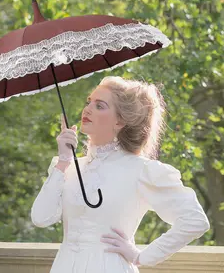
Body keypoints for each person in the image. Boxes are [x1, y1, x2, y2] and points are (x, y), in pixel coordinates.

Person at [30, 76, 210, 272]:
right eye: (89, 102)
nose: (87, 109)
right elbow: (41, 218)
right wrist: (64, 160)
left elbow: (195, 221)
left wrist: (142, 256)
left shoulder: (142, 171)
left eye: (100, 106)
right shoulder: (67, 167)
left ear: (120, 121)